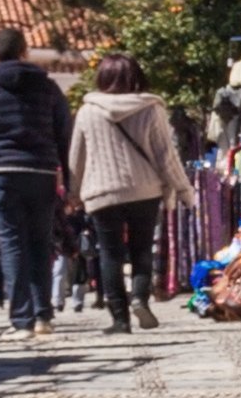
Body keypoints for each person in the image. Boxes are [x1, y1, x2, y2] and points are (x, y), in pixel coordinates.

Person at [0, 25, 76, 333]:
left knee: (11, 243)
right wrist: (71, 182)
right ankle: (43, 315)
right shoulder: (49, 87)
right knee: (40, 241)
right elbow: (65, 135)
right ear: (25, 51)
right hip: (41, 170)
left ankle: (21, 318)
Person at [70, 52, 190, 332]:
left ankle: (120, 319)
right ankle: (139, 298)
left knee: (109, 254)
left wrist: (74, 193)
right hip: (144, 190)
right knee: (141, 249)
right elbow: (166, 156)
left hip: (102, 192)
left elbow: (77, 158)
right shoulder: (151, 108)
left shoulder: (88, 111)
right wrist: (183, 189)